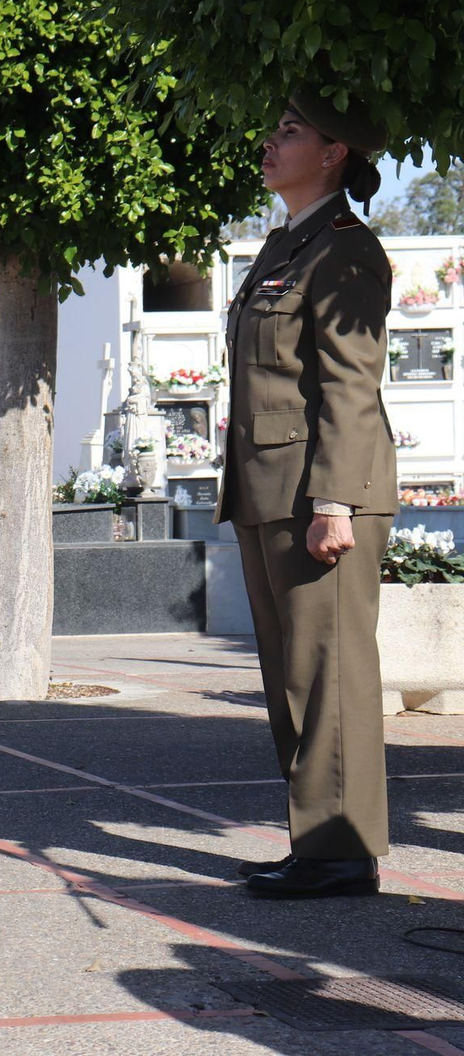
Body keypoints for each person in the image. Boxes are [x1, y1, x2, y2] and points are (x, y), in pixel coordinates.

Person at [216, 88, 396, 899]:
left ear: (332, 155)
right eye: (273, 127)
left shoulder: (344, 250)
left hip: (318, 495)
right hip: (267, 490)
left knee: (330, 673)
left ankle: (343, 850)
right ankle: (317, 843)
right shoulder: (285, 246)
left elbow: (351, 389)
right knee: (292, 676)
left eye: (289, 132)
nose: (270, 141)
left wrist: (335, 503)